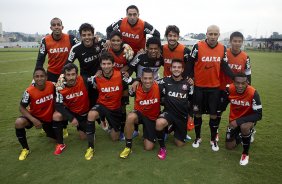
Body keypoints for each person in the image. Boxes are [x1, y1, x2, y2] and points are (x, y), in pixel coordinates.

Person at [188, 25, 234, 151]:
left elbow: (224, 66)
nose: (213, 36)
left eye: (215, 34)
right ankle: (197, 138)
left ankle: (213, 140)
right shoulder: (197, 46)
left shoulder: (222, 48)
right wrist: (189, 76)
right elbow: (190, 63)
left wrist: (235, 78)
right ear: (206, 34)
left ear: (219, 35)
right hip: (199, 88)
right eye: (210, 34)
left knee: (214, 115)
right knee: (197, 113)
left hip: (214, 89)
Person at [35, 17, 79, 137]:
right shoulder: (45, 40)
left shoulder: (70, 38)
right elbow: (40, 60)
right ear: (51, 28)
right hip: (52, 75)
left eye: (58, 24)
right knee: (51, 101)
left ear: (62, 26)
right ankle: (50, 125)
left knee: (65, 101)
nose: (56, 27)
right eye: (54, 25)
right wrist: (37, 77)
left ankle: (64, 127)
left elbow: (81, 48)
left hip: (66, 75)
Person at [85, 52, 133, 160]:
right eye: (104, 64)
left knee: (115, 138)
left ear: (113, 64)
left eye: (108, 63)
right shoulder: (96, 78)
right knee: (91, 115)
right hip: (102, 105)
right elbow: (82, 82)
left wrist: (124, 102)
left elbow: (129, 85)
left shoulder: (120, 75)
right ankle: (90, 147)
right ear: (100, 65)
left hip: (115, 108)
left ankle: (110, 125)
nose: (106, 66)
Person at [15, 67, 56, 160]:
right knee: (19, 123)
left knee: (54, 141)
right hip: (35, 116)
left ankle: (47, 130)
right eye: (36, 76)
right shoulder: (29, 91)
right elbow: (21, 107)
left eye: (42, 76)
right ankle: (25, 149)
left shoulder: (52, 86)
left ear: (46, 77)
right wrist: (33, 120)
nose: (39, 78)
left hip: (48, 118)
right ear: (33, 78)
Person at [155, 59, 193, 160]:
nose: (176, 69)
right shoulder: (165, 81)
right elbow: (151, 83)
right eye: (174, 67)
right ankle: (162, 148)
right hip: (169, 113)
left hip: (182, 116)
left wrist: (190, 116)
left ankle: (171, 128)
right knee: (159, 123)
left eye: (179, 67)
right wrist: (136, 80)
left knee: (179, 144)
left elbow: (192, 101)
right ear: (170, 69)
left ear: (182, 69)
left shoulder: (188, 83)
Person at [218, 31, 252, 141]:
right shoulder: (224, 54)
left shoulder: (245, 57)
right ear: (230, 41)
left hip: (239, 90)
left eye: (239, 41)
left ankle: (247, 131)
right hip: (223, 88)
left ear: (242, 42)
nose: (237, 43)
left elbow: (247, 74)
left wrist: (249, 88)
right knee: (219, 110)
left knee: (242, 112)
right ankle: (216, 131)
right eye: (235, 41)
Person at [120, 68, 161, 159]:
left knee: (148, 147)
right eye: (145, 78)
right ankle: (128, 147)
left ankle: (152, 133)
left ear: (153, 78)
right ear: (141, 79)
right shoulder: (136, 87)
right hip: (140, 115)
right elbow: (124, 79)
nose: (147, 81)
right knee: (130, 117)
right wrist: (135, 81)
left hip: (152, 118)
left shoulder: (158, 86)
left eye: (150, 78)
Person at [52, 63, 90, 155]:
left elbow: (96, 80)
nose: (71, 77)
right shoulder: (60, 87)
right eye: (68, 75)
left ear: (77, 74)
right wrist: (71, 118)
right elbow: (58, 105)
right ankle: (60, 144)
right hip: (71, 112)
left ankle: (81, 126)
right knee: (56, 116)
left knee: (84, 137)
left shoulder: (84, 80)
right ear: (64, 75)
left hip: (83, 113)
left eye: (73, 74)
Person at [225, 73, 262, 166]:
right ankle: (245, 136)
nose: (240, 86)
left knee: (244, 127)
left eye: (243, 83)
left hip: (248, 119)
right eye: (237, 83)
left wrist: (238, 121)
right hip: (234, 120)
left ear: (247, 82)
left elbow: (259, 115)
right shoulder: (229, 89)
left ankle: (245, 153)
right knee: (229, 146)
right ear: (233, 82)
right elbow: (223, 102)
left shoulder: (253, 93)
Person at [107, 31, 133, 140]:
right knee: (111, 105)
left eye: (118, 40)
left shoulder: (127, 51)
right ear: (110, 41)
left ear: (121, 41)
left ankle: (122, 128)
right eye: (113, 40)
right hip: (111, 82)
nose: (115, 42)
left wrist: (128, 71)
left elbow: (132, 65)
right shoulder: (107, 51)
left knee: (122, 106)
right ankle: (111, 125)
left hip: (123, 82)